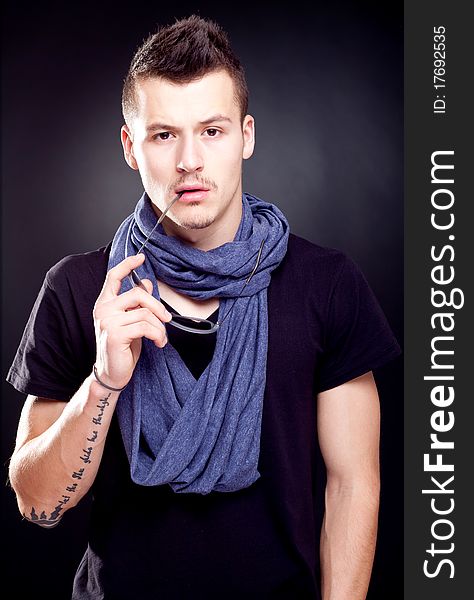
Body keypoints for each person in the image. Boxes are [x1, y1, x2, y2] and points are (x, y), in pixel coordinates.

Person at [6, 15, 401, 600]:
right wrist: (105, 383)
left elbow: (352, 487)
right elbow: (37, 505)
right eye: (164, 134)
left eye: (211, 131)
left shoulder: (327, 284)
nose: (190, 160)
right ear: (130, 147)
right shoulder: (79, 289)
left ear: (246, 136)